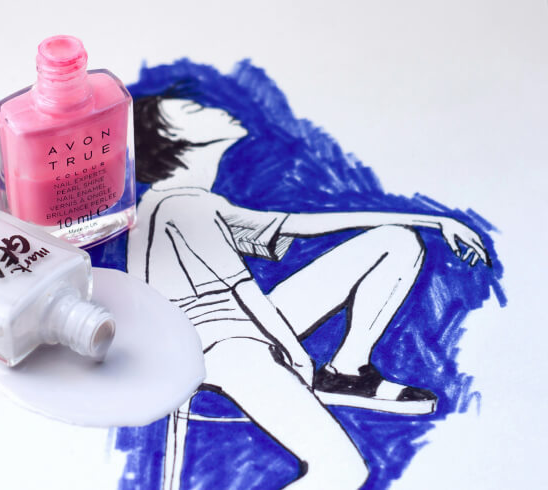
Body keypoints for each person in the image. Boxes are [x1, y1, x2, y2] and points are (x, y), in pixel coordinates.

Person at [126, 92, 489, 488]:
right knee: (342, 471)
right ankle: (324, 375)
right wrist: (296, 358)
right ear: (172, 138)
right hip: (221, 347)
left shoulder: (180, 201)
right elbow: (242, 293)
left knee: (395, 242)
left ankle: (347, 371)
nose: (215, 107)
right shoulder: (182, 208)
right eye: (194, 110)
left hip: (225, 328)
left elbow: (298, 225)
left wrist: (430, 222)